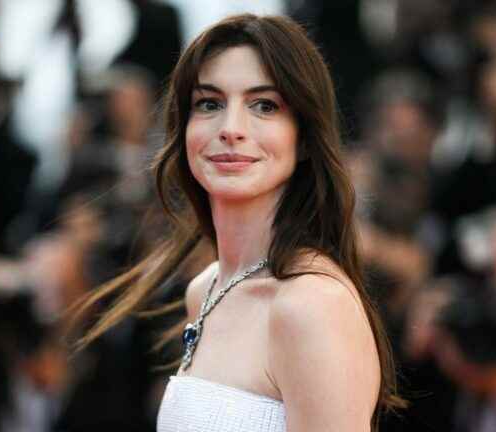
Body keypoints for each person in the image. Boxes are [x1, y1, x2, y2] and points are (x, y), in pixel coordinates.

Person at [67, 13, 405, 432]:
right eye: (209, 103)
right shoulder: (203, 289)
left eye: (264, 105)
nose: (231, 129)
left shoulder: (311, 305)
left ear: (303, 137)